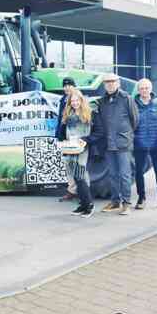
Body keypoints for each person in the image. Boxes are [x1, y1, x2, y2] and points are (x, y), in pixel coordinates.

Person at [98, 73, 138, 216]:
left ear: (118, 83)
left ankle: (126, 203)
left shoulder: (127, 98)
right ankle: (115, 201)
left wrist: (125, 135)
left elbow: (135, 120)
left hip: (123, 144)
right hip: (108, 144)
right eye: (107, 82)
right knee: (113, 175)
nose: (109, 84)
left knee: (125, 175)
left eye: (112, 81)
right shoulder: (102, 101)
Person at [133, 78, 157, 211]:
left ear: (151, 89)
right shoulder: (133, 104)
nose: (144, 90)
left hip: (156, 144)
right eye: (142, 88)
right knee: (139, 172)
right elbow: (129, 124)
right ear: (138, 90)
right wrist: (134, 138)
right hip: (140, 144)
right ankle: (141, 199)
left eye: (146, 88)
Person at [60, 89, 94, 218]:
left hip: (82, 148)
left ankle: (89, 205)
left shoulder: (88, 114)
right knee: (75, 177)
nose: (74, 103)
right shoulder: (68, 114)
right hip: (70, 149)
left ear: (81, 100)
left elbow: (93, 133)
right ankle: (83, 204)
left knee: (80, 175)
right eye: (72, 101)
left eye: (76, 100)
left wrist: (84, 141)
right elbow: (64, 132)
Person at [55, 77, 79, 202]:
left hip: (74, 137)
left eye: (69, 85)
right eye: (64, 86)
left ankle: (81, 191)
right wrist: (58, 134)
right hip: (64, 137)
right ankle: (72, 190)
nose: (66, 88)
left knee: (78, 165)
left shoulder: (76, 100)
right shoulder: (62, 100)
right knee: (68, 165)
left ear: (74, 86)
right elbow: (60, 119)